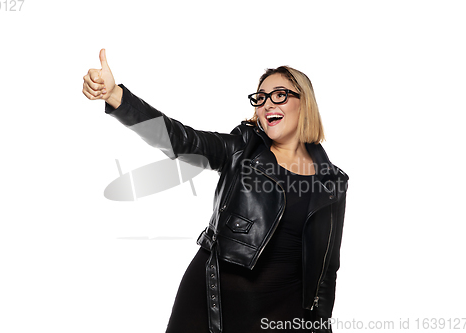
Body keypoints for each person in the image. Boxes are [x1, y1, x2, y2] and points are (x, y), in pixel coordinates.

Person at [83, 49, 349, 333]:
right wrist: (116, 97)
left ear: (304, 103)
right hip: (214, 302)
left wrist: (321, 326)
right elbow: (179, 139)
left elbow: (326, 271)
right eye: (260, 98)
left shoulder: (332, 182)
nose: (268, 104)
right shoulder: (240, 150)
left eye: (279, 95)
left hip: (283, 314)